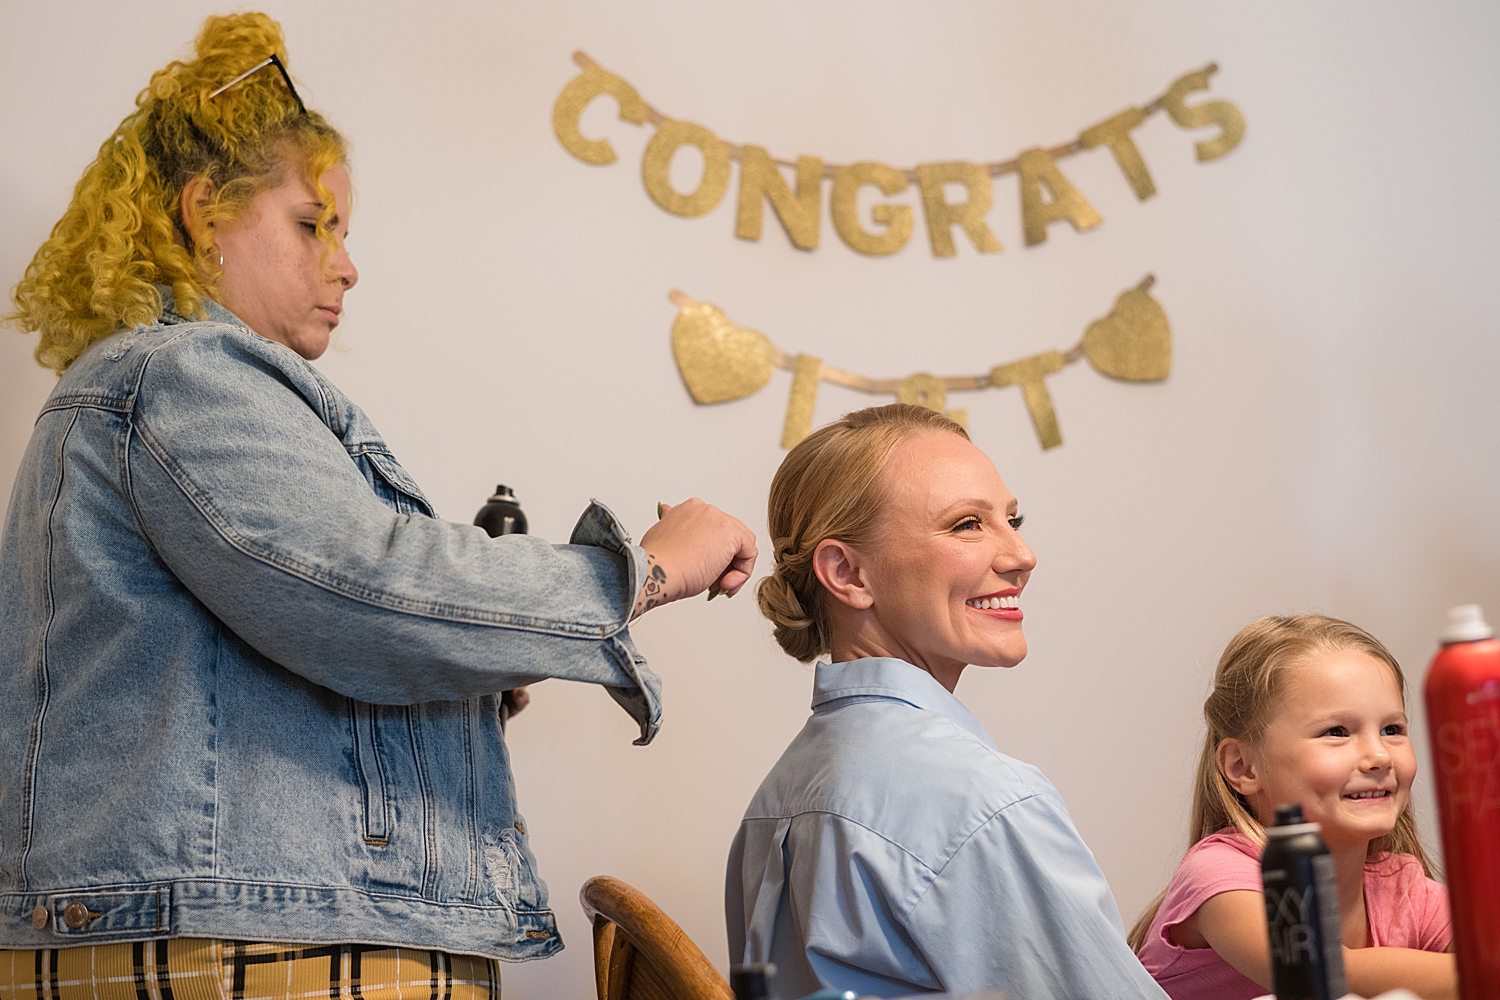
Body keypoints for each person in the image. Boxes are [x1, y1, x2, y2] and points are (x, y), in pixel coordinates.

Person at [0, 13, 756, 998]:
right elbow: (368, 588)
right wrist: (640, 569)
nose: (347, 265)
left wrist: (453, 694)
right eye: (313, 226)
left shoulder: (151, 385)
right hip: (254, 948)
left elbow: (298, 628)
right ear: (203, 213)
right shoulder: (186, 371)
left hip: (238, 931)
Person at [725, 403, 1167, 1000]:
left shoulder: (774, 803)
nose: (1021, 555)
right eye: (966, 525)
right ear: (848, 573)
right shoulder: (981, 803)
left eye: (1012, 519)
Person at [1130, 615, 1454, 1000]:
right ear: (1243, 767)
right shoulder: (1219, 877)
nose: (1379, 756)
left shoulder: (1402, 892)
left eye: (1392, 730)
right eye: (1336, 732)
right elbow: (1322, 972)